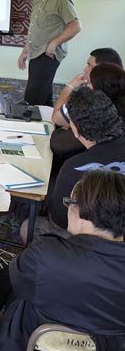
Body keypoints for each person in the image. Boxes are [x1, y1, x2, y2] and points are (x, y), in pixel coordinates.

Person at [0, 169, 125, 351]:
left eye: (69, 202)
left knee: (20, 285)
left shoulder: (47, 254)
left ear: (81, 211)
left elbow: (15, 279)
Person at [37, 88, 125, 239]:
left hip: (97, 239)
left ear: (75, 130)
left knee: (30, 226)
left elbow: (59, 221)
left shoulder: (74, 167)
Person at [17, 0, 81, 106]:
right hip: (35, 53)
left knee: (32, 98)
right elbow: (35, 30)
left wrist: (54, 43)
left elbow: (76, 26)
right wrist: (24, 52)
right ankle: (51, 125)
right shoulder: (38, 0)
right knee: (43, 96)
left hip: (48, 55)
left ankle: (28, 126)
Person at [50, 48, 123, 172]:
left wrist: (70, 86)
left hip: (84, 159)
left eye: (90, 65)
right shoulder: (118, 90)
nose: (85, 69)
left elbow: (57, 118)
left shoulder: (91, 101)